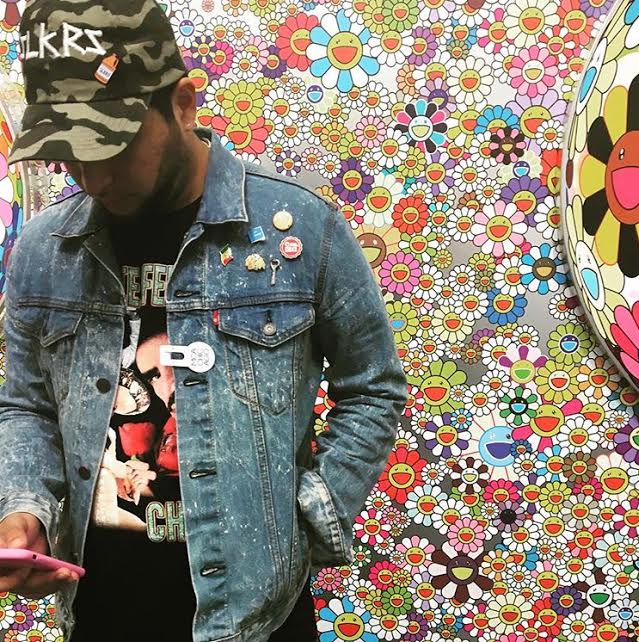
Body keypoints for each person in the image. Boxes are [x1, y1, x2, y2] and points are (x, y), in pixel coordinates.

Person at [0, 0, 408, 641]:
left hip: (261, 618)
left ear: (183, 104)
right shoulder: (43, 251)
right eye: (67, 152)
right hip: (99, 610)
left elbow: (372, 386)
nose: (92, 176)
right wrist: (25, 508)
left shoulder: (302, 228)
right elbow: (25, 405)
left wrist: (309, 515)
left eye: (111, 145)